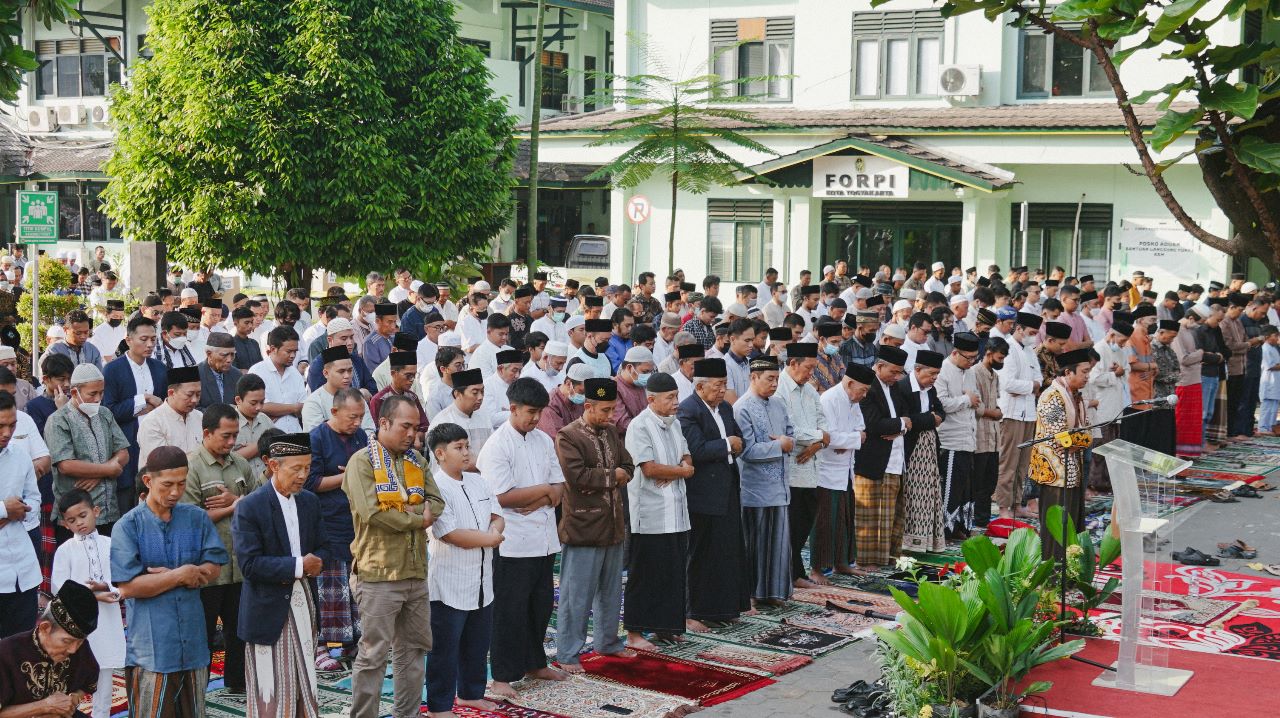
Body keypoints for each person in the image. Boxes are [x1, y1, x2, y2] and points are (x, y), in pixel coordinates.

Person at [343, 395, 445, 718]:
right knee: (373, 656)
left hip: (415, 572)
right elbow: (374, 514)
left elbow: (437, 502)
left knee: (413, 652)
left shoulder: (417, 459)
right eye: (405, 426)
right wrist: (418, 519)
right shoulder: (361, 462)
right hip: (379, 575)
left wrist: (406, 511)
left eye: (416, 428)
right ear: (383, 423)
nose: (412, 435)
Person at [111, 446, 229, 718]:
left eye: (182, 483)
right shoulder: (128, 526)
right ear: (148, 481)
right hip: (152, 649)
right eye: (168, 485)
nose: (176, 492)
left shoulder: (196, 517)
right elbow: (128, 587)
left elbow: (214, 566)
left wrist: (162, 578)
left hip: (194, 640)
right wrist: (179, 575)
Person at [478, 378, 567, 698]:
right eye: (530, 412)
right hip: (512, 541)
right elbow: (502, 497)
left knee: (540, 605)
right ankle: (502, 675)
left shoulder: (543, 440)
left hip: (542, 537)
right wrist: (542, 492)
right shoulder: (497, 445)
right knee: (509, 610)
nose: (534, 418)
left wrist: (541, 495)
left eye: (539, 413)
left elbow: (558, 489)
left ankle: (535, 662)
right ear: (512, 408)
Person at [232, 432, 330, 718]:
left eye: (308, 468)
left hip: (303, 601)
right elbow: (249, 565)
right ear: (273, 465)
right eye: (296, 468)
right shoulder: (251, 507)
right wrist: (300, 566)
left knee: (304, 680)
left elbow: (324, 545)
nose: (303, 475)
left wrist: (316, 562)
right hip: (267, 606)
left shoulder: (309, 502)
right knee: (272, 688)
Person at [424, 422, 505, 717]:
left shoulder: (477, 481)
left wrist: (495, 530)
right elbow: (451, 534)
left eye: (467, 446)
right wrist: (492, 538)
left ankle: (471, 693)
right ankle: (439, 706)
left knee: (476, 641)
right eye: (459, 448)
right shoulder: (436, 487)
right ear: (441, 453)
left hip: (482, 576)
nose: (466, 453)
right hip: (450, 580)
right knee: (444, 649)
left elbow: (497, 515)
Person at [554, 377, 635, 672]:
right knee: (577, 595)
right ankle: (568, 653)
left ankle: (608, 642)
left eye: (612, 409)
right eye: (604, 410)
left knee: (612, 590)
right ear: (587, 406)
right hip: (583, 525)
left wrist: (614, 474)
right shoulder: (568, 436)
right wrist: (612, 477)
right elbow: (576, 476)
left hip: (613, 522)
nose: (610, 416)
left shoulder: (611, 432)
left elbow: (629, 465)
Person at [180, 402, 262, 693]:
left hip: (239, 563)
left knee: (239, 629)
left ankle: (238, 685)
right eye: (225, 436)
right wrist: (236, 506)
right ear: (207, 433)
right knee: (201, 631)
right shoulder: (192, 468)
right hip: (207, 566)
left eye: (234, 436)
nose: (231, 442)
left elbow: (258, 504)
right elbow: (190, 518)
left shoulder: (240, 464)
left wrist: (238, 503)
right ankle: (196, 690)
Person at [678, 358, 751, 630]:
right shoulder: (688, 411)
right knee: (701, 553)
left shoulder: (726, 408)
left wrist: (734, 445)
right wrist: (726, 445)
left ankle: (724, 607)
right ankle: (694, 611)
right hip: (703, 493)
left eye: (724, 385)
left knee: (727, 550)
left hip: (728, 488)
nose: (722, 391)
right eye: (718, 386)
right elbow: (695, 450)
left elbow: (738, 438)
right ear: (700, 386)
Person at [304, 387, 368, 666]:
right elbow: (310, 483)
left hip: (355, 519)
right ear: (334, 412)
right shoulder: (317, 438)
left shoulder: (361, 436)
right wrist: (346, 477)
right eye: (352, 417)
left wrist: (355, 474)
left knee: (354, 587)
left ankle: (352, 642)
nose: (356, 423)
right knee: (328, 587)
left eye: (361, 417)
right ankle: (320, 647)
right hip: (326, 521)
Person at [52, 488, 126, 718]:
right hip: (77, 627)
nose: (79, 524)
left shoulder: (110, 544)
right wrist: (92, 596)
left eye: (83, 516)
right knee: (72, 675)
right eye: (72, 520)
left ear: (96, 511)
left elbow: (123, 580)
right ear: (65, 524)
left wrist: (109, 590)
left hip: (108, 620)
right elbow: (59, 589)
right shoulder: (65, 551)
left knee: (105, 674)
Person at [733, 356, 794, 606]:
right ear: (753, 377)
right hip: (754, 490)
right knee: (756, 546)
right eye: (770, 379)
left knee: (778, 545)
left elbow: (791, 434)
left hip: (779, 487)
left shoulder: (779, 404)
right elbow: (747, 451)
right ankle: (753, 595)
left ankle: (774, 593)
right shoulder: (742, 407)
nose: (774, 384)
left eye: (777, 379)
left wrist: (783, 442)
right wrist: (778, 444)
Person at [48, 364, 132, 540]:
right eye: (92, 394)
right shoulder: (58, 420)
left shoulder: (105, 414)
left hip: (109, 512)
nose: (98, 399)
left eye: (101, 393)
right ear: (74, 393)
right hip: (74, 519)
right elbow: (65, 465)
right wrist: (108, 470)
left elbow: (123, 453)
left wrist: (99, 474)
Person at [0, 580, 102, 717]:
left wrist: (71, 700)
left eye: (79, 642)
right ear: (45, 628)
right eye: (67, 641)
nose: (73, 650)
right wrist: (45, 706)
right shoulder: (7, 653)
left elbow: (88, 681)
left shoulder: (79, 647)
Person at [1029, 349, 1095, 559]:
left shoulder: (1076, 396)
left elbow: (1087, 431)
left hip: (1073, 469)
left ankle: (1071, 569)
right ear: (1068, 372)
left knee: (1072, 522)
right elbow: (1062, 437)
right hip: (1054, 472)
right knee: (1056, 525)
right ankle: (1053, 571)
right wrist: (1084, 439)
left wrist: (1083, 439)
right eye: (1084, 372)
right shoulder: (1052, 396)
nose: (1087, 376)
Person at [774, 342, 829, 587]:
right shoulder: (779, 390)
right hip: (791, 468)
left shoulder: (810, 391)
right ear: (793, 363)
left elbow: (825, 425)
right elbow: (789, 430)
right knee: (791, 524)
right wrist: (818, 437)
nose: (811, 374)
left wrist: (817, 443)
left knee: (805, 522)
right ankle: (791, 574)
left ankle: (795, 572)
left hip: (812, 466)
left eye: (814, 369)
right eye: (808, 368)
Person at [852, 346, 910, 572]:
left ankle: (887, 557)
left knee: (891, 513)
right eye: (893, 372)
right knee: (869, 515)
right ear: (880, 365)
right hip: (872, 459)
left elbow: (905, 418)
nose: (897, 377)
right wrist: (901, 424)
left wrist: (901, 426)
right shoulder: (870, 387)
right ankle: (866, 561)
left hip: (895, 458)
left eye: (899, 373)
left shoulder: (894, 388)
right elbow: (874, 424)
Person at [103, 315, 168, 512]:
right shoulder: (113, 370)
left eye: (153, 339)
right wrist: (143, 400)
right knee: (127, 500)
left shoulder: (159, 368)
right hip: (127, 443)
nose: (149, 344)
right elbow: (109, 411)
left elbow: (165, 403)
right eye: (143, 339)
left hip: (157, 442)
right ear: (128, 340)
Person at [814, 362, 870, 577]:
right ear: (849, 383)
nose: (864, 395)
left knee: (845, 519)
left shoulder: (853, 401)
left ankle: (843, 562)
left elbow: (861, 430)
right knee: (825, 520)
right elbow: (828, 437)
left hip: (845, 468)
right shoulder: (829, 399)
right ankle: (819, 569)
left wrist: (849, 440)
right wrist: (851, 439)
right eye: (862, 390)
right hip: (826, 470)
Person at [0, 389, 40, 637]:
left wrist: (21, 510)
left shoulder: (20, 456)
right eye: (1, 426)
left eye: (12, 425)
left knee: (22, 649)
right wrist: (5, 509)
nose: (7, 433)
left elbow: (34, 498)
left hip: (23, 570)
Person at [898, 350, 946, 552]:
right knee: (912, 496)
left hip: (929, 448)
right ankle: (909, 542)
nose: (934, 378)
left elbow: (941, 412)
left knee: (930, 496)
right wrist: (930, 419)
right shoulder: (903, 388)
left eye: (937, 374)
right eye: (932, 374)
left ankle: (926, 542)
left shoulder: (931, 389)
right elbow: (906, 420)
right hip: (911, 450)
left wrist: (934, 418)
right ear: (917, 369)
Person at [996, 313, 1042, 520]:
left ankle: (1017, 504)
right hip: (1011, 413)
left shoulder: (1030, 351)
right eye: (1031, 332)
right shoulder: (1008, 349)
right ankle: (1004, 507)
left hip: (1029, 413)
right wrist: (1031, 386)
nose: (1033, 337)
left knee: (1023, 465)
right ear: (1019, 329)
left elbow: (1039, 379)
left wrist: (1031, 386)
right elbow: (1008, 384)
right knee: (1008, 463)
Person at [936, 333, 981, 537]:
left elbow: (974, 400)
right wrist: (966, 400)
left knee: (966, 487)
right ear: (955, 352)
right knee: (951, 488)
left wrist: (970, 401)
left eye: (975, 358)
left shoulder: (969, 371)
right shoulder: (943, 371)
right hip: (951, 438)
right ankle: (945, 529)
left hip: (968, 437)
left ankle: (960, 527)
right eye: (968, 358)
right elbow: (941, 404)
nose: (972, 362)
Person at [970, 338, 1006, 529]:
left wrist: (996, 411)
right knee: (979, 482)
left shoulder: (996, 376)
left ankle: (983, 521)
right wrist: (994, 413)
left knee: (991, 481)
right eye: (1000, 357)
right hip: (979, 435)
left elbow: (996, 403)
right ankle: (976, 520)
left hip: (993, 435)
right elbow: (976, 405)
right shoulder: (975, 372)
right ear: (989, 352)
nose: (1001, 362)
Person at [137, 365, 205, 463]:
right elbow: (161, 463)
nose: (195, 400)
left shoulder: (200, 417)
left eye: (198, 394)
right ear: (171, 393)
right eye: (189, 395)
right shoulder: (153, 422)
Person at [251, 326, 307, 433]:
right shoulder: (257, 371)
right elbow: (260, 407)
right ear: (273, 349)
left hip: (296, 434)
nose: (293, 356)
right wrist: (293, 408)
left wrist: (277, 410)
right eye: (289, 351)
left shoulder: (295, 373)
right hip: (268, 437)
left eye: (295, 351)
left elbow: (303, 407)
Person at [430, 368, 493, 462]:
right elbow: (443, 462)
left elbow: (492, 450)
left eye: (482, 392)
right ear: (457, 394)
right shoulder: (443, 421)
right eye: (475, 393)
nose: (480, 397)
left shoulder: (484, 416)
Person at [235, 373, 276, 479]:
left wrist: (249, 450)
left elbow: (277, 447)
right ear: (238, 400)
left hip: (267, 483)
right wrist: (262, 444)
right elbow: (227, 459)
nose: (258, 407)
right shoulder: (229, 423)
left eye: (262, 402)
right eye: (253, 403)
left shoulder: (265, 420)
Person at [198, 332, 242, 409]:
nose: (229, 360)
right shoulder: (195, 375)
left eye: (232, 354)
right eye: (224, 355)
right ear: (209, 354)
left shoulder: (237, 375)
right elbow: (192, 410)